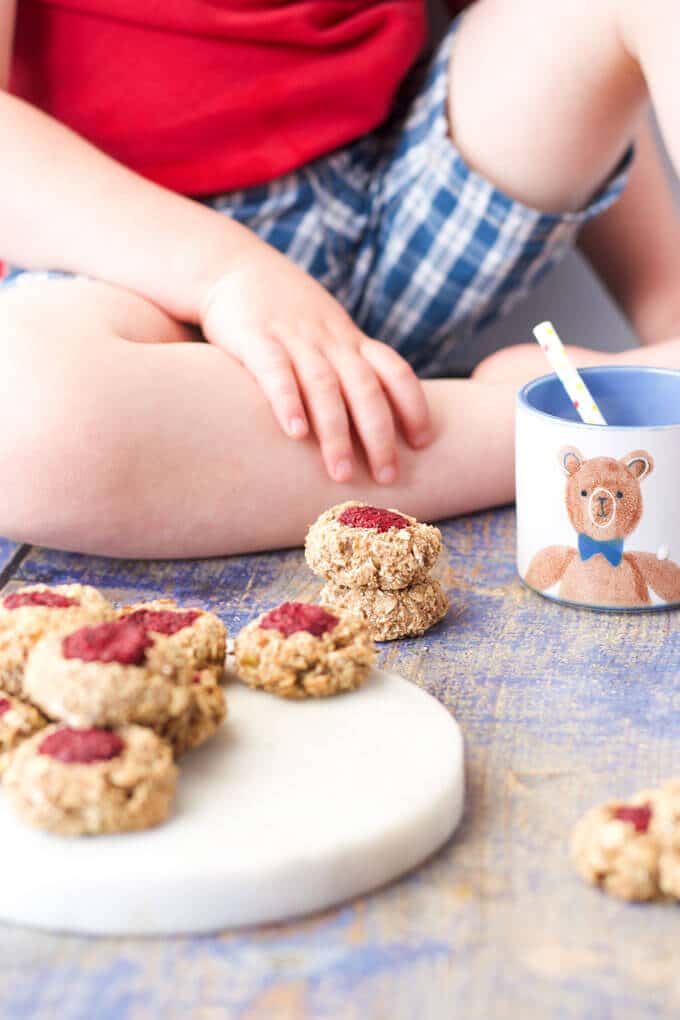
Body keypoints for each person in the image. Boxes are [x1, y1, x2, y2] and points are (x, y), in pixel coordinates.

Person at [2, 0, 680, 558]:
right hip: (141, 268)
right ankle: (556, 423)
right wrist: (225, 273)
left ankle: (662, 375)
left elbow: (587, 55)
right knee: (21, 418)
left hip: (390, 210)